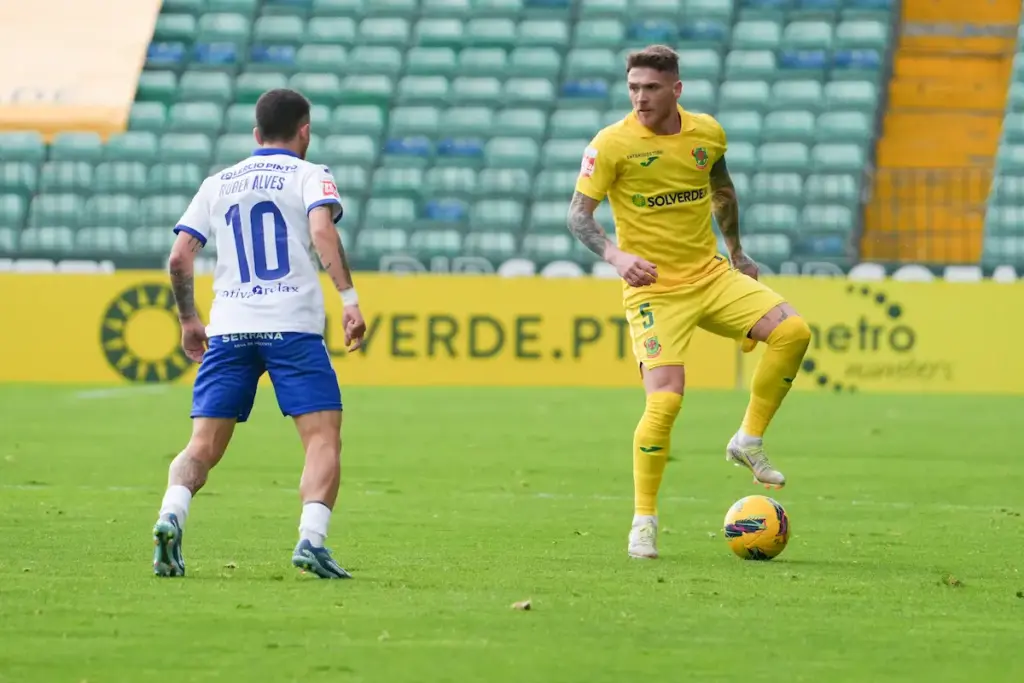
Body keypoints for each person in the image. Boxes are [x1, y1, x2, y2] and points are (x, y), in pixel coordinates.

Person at [566, 46, 812, 560]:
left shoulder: (707, 134)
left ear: (676, 89)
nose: (640, 97)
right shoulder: (610, 144)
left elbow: (722, 190)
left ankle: (748, 440)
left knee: (793, 332)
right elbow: (578, 216)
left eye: (651, 88)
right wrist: (615, 255)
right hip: (654, 289)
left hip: (710, 275)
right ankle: (644, 521)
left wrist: (737, 252)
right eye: (633, 87)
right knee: (665, 401)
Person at [151, 88, 366, 579]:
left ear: (256, 133)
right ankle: (311, 539)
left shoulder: (218, 182)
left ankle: (170, 514)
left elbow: (179, 257)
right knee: (321, 437)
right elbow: (322, 232)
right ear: (304, 131)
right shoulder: (311, 175)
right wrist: (349, 299)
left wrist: (188, 319)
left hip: (229, 327)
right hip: (291, 326)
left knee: (201, 445)